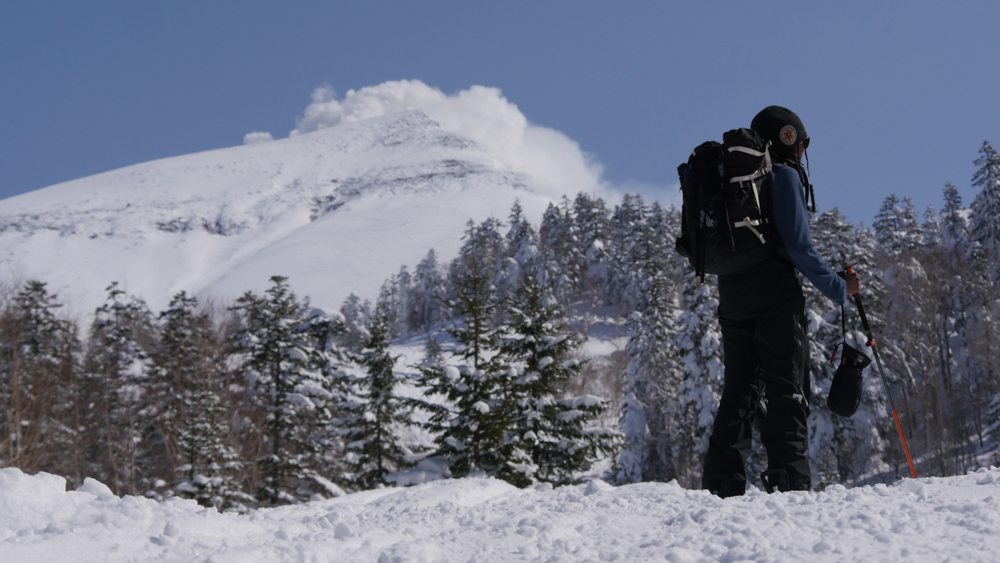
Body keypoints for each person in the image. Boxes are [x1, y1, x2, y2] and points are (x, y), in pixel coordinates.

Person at [701, 106, 861, 497]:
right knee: (786, 387)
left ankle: (722, 483)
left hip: (732, 294)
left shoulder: (731, 183)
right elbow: (798, 247)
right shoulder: (783, 175)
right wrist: (841, 288)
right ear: (789, 140)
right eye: (802, 145)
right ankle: (789, 479)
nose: (803, 153)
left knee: (739, 389)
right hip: (775, 295)